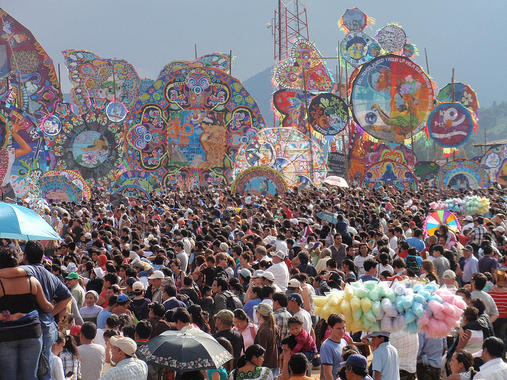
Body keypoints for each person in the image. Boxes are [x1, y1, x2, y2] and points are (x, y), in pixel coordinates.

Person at [0, 241, 72, 380]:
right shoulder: (39, 278)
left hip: (11, 331)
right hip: (35, 329)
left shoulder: (26, 271)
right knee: (38, 373)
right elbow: (59, 300)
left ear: (25, 257)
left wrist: (6, 315)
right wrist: (52, 311)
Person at [254, 303, 279, 376]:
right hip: (274, 364)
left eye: (257, 312)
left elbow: (262, 351)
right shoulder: (273, 327)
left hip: (265, 367)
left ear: (260, 314)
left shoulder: (263, 331)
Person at [320, 313, 347, 380]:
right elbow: (328, 373)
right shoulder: (326, 346)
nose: (342, 331)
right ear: (330, 328)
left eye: (343, 327)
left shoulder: (344, 342)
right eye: (338, 328)